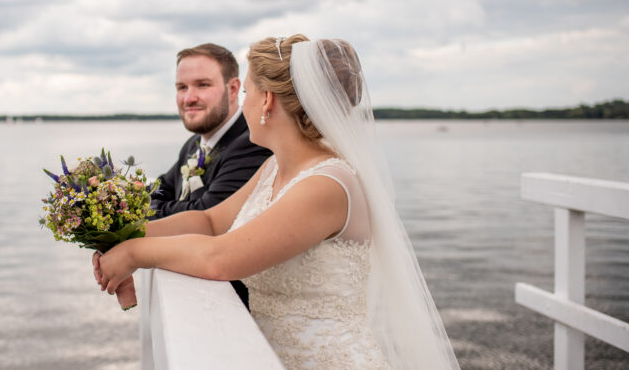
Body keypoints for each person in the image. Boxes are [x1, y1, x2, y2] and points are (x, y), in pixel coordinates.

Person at [93, 35, 460, 370]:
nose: (244, 102)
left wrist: (135, 254)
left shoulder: (326, 183)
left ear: (266, 100)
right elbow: (210, 222)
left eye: (247, 92)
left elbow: (220, 258)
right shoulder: (273, 166)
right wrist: (121, 234)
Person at [150, 43, 271, 219]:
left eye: (203, 85)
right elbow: (158, 190)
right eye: (182, 87)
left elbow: (205, 213)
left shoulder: (252, 143)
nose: (189, 98)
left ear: (233, 89)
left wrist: (144, 210)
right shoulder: (194, 144)